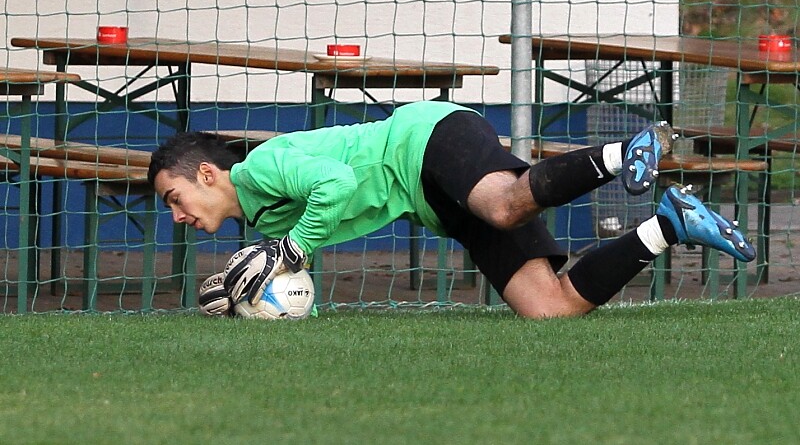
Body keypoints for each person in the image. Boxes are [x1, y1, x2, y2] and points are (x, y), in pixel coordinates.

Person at [147, 101, 755, 319]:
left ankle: (627, 151)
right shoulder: (263, 218)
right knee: (550, 309)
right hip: (434, 203)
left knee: (504, 205)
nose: (176, 215)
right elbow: (292, 260)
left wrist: (293, 249)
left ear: (208, 174)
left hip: (425, 139)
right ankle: (669, 224)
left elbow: (334, 183)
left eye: (175, 198)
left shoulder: (262, 166)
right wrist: (239, 293)